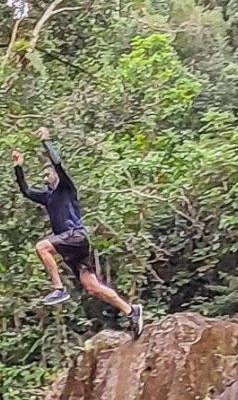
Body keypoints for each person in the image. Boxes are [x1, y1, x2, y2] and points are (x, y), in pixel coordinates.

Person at [13, 127, 144, 335]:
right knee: (92, 286)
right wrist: (18, 167)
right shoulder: (48, 197)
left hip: (76, 236)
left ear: (55, 175)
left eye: (47, 174)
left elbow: (58, 163)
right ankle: (131, 311)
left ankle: (58, 288)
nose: (45, 177)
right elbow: (27, 191)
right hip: (72, 248)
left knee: (42, 247)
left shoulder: (66, 188)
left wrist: (46, 141)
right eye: (43, 175)